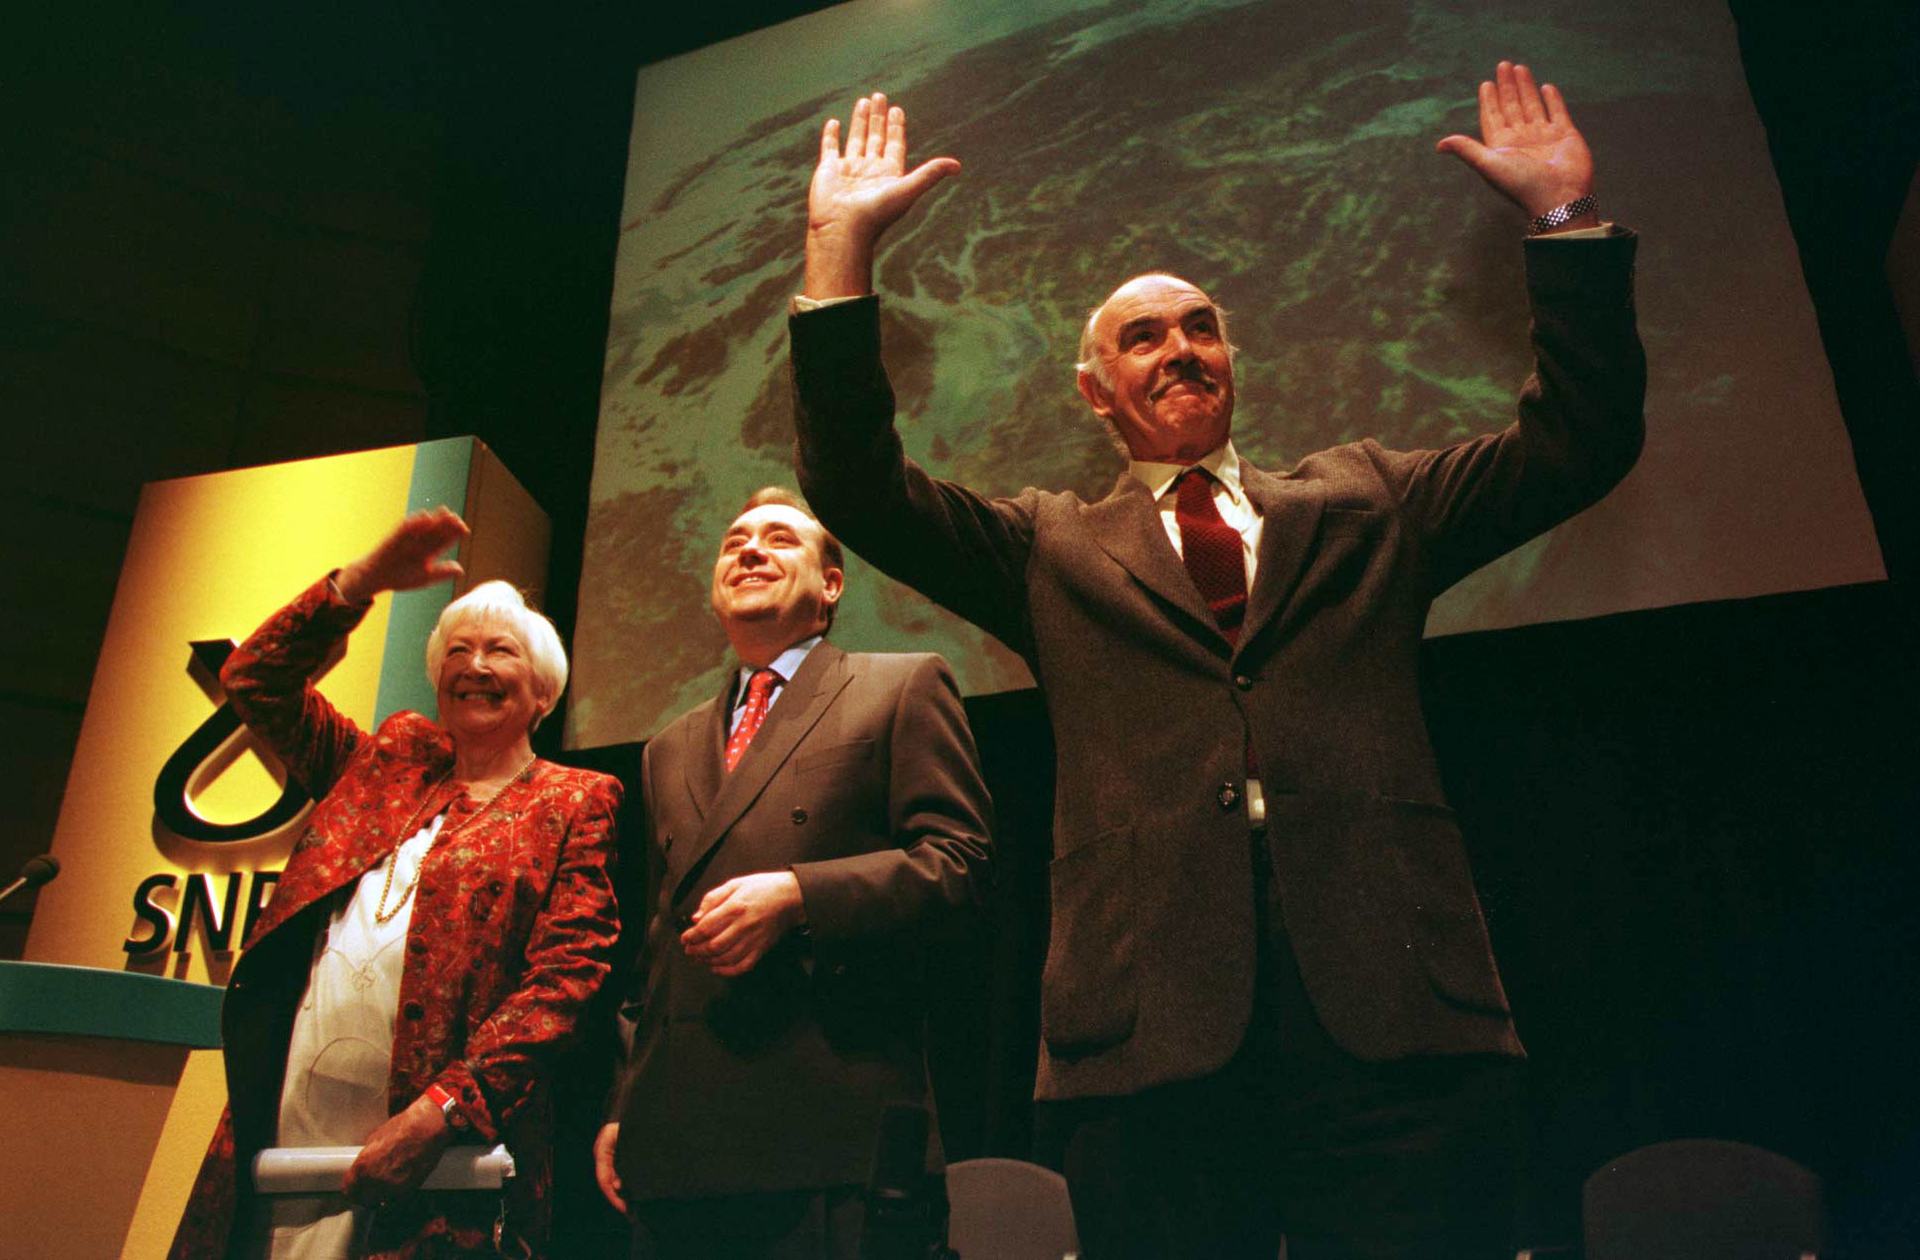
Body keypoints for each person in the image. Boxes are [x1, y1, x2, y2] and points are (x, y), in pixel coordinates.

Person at [787, 63, 1646, 1259]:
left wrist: (1559, 221)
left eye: (1202, 328)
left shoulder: (1369, 500)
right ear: (1097, 392)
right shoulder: (1048, 547)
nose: (1181, 349)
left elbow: (1579, 440)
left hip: (1394, 1022)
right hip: (1149, 1044)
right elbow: (859, 489)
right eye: (1144, 337)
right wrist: (838, 256)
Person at [169, 508, 623, 1259]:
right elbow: (254, 678)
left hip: (448, 1155)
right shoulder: (385, 761)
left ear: (543, 692)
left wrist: (442, 1111)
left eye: (500, 651)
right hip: (290, 1132)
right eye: (458, 650)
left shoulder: (576, 799)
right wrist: (363, 580)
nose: (474, 664)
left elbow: (566, 979)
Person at [594, 487, 993, 1260]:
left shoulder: (901, 684)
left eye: (779, 539)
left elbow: (960, 864)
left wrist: (801, 895)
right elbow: (657, 949)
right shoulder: (667, 748)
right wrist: (623, 1103)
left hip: (832, 1127)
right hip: (678, 1139)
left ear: (831, 585)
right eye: (734, 540)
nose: (748, 550)